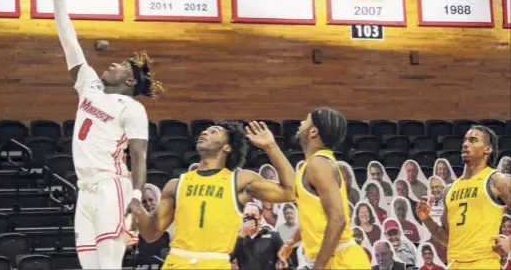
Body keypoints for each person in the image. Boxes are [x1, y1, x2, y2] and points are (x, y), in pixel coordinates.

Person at [52, 0, 163, 269]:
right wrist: (58, 2)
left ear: (129, 82)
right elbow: (69, 44)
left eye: (122, 65)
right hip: (84, 189)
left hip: (110, 187)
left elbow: (139, 157)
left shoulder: (133, 109)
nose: (113, 63)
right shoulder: (89, 84)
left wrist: (137, 195)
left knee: (109, 266)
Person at [133, 121, 296, 270]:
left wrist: (270, 146)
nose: (204, 133)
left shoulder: (240, 180)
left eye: (214, 132)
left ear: (227, 147)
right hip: (176, 260)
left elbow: (291, 192)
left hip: (215, 262)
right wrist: (134, 201)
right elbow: (150, 234)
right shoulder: (175, 184)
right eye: (204, 131)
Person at [279, 108, 371, 269]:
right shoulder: (315, 164)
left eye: (306, 120)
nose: (301, 123)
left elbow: (338, 219)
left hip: (341, 260)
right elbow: (317, 215)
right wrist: (292, 241)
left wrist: (319, 266)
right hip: (336, 258)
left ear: (313, 131)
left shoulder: (318, 164)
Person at [417, 126, 511, 270]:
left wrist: (509, 242)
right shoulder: (450, 189)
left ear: (487, 149)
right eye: (465, 140)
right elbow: (447, 238)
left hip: (484, 262)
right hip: (454, 262)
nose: (465, 144)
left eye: (473, 140)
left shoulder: (497, 180)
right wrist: (426, 218)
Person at [231, 203, 285, 270]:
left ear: (260, 218)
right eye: (246, 215)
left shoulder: (273, 236)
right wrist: (242, 235)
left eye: (253, 215)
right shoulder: (236, 237)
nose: (249, 218)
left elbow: (285, 259)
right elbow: (230, 258)